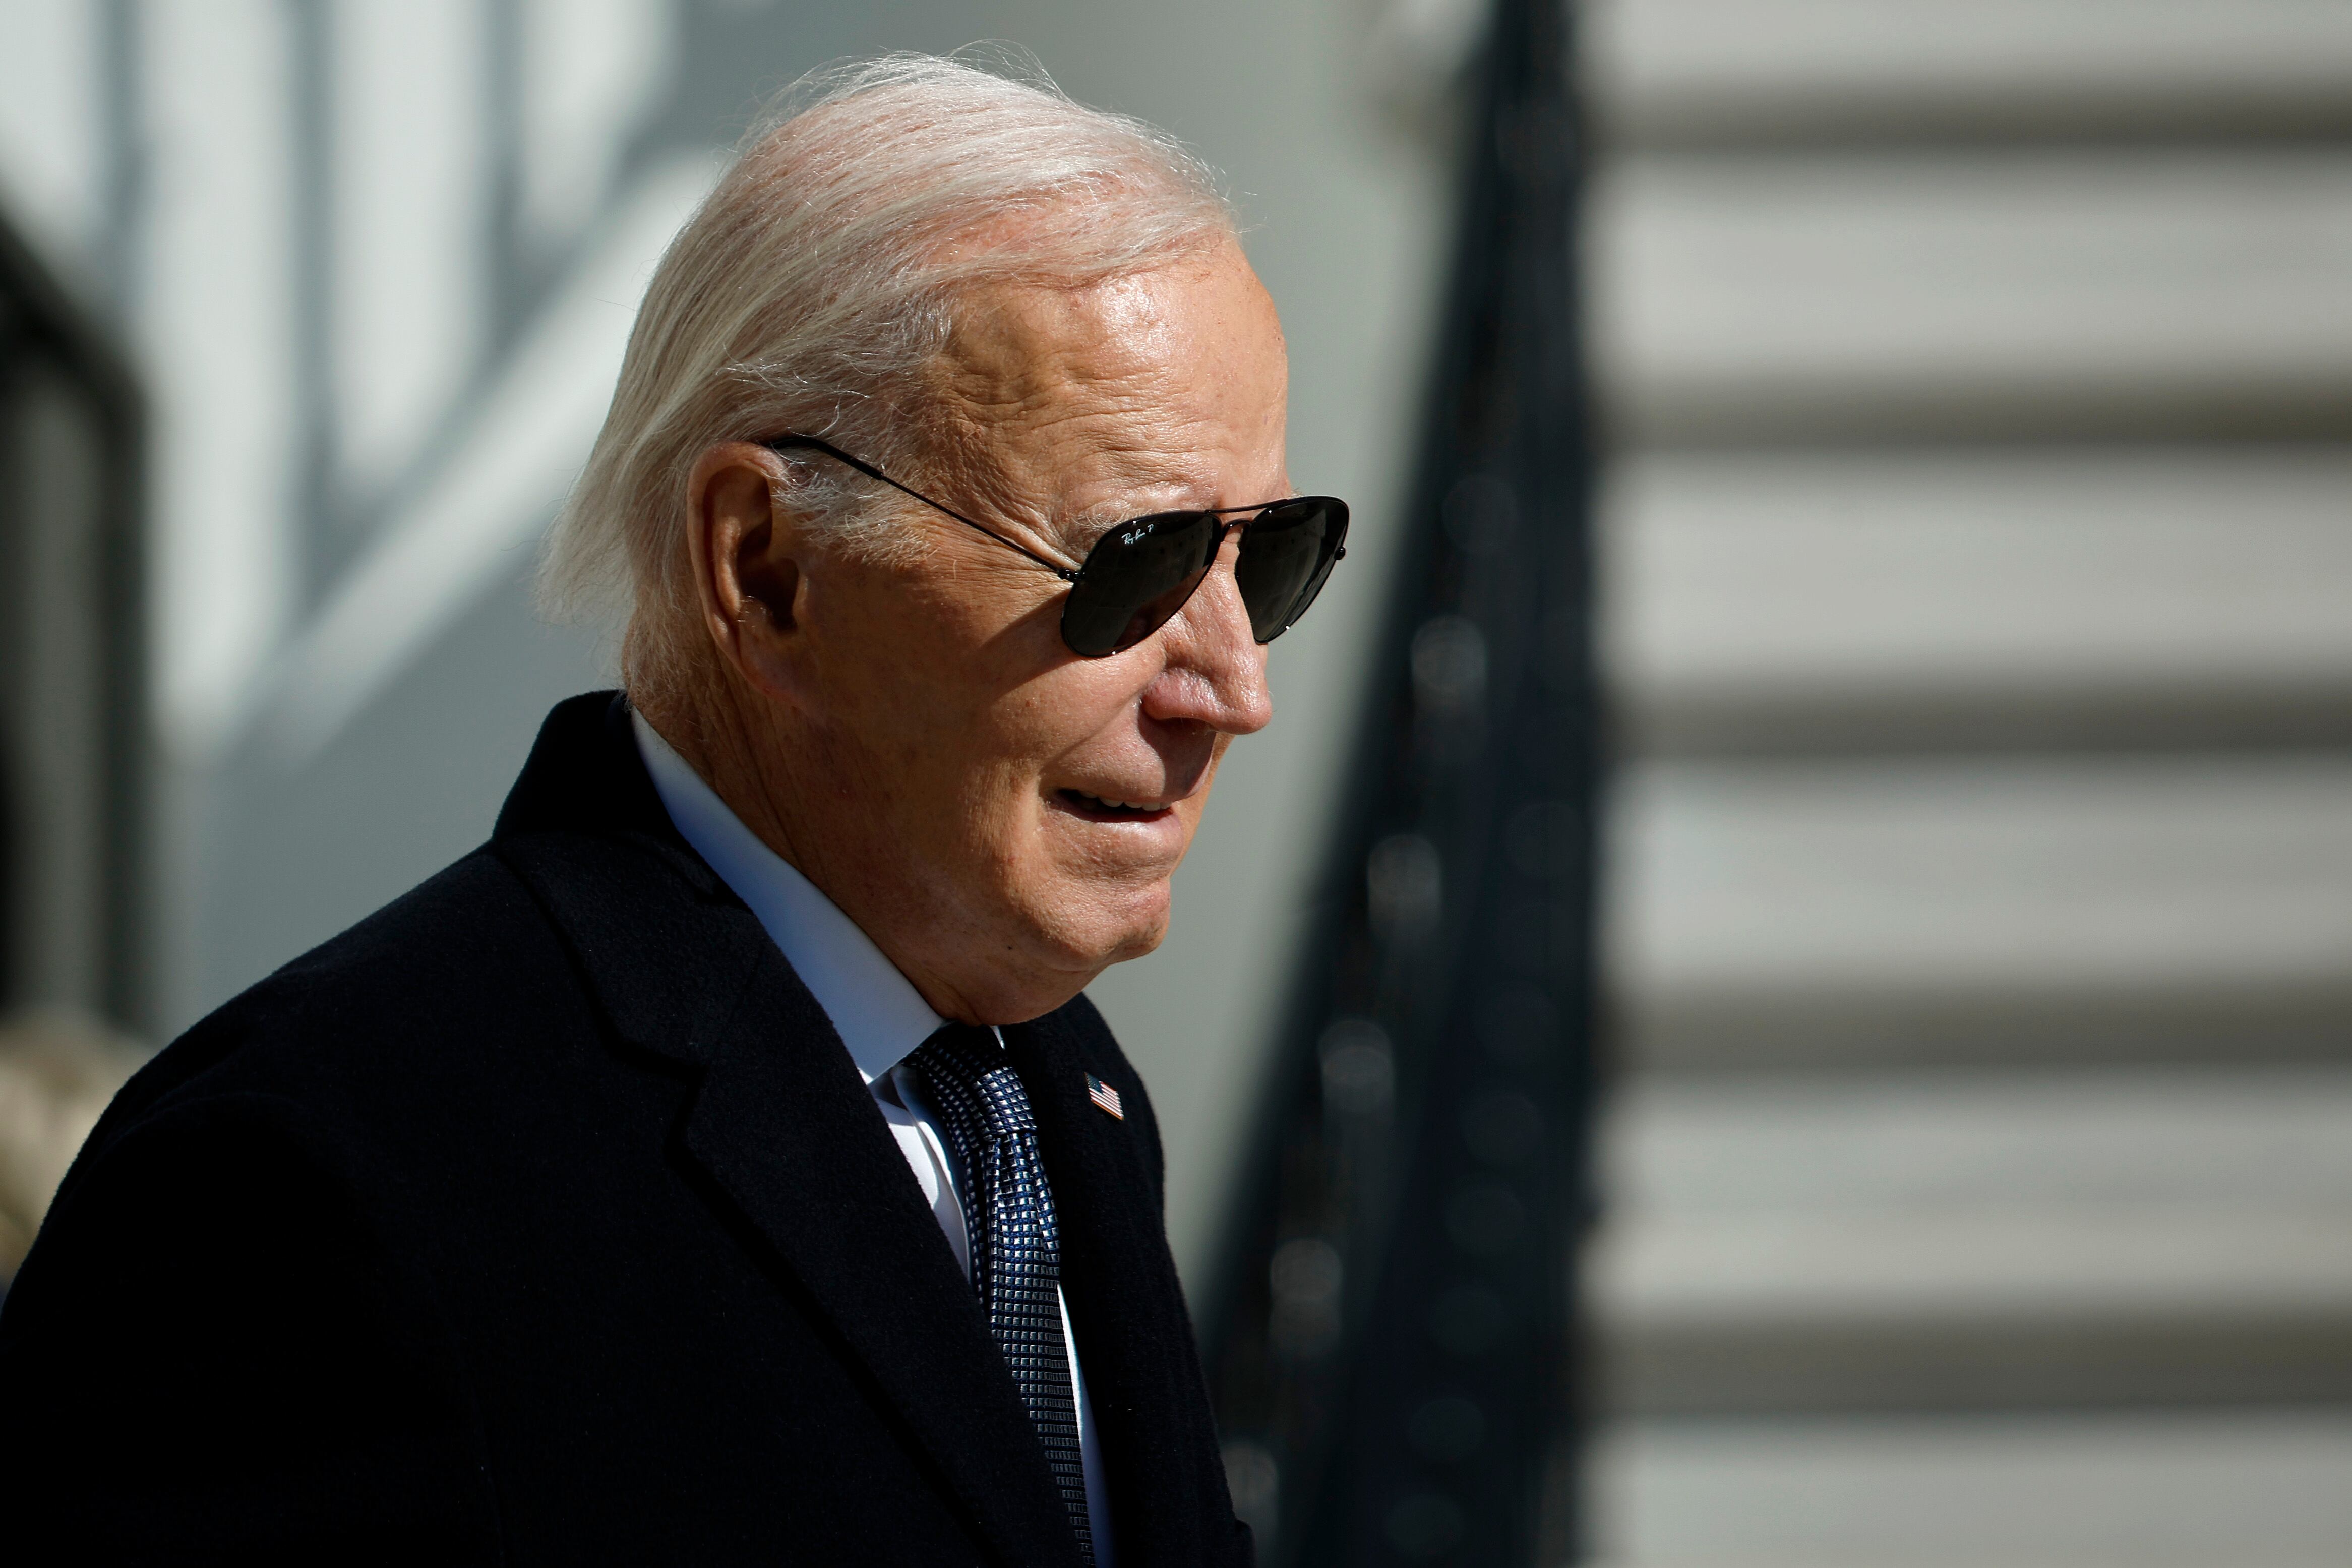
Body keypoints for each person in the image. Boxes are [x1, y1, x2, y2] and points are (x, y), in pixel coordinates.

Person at [0, 56, 1348, 1566]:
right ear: (764, 568)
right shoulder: (322, 1176)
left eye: (1267, 558)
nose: (1231, 689)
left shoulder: (1051, 1100)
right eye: (1140, 561)